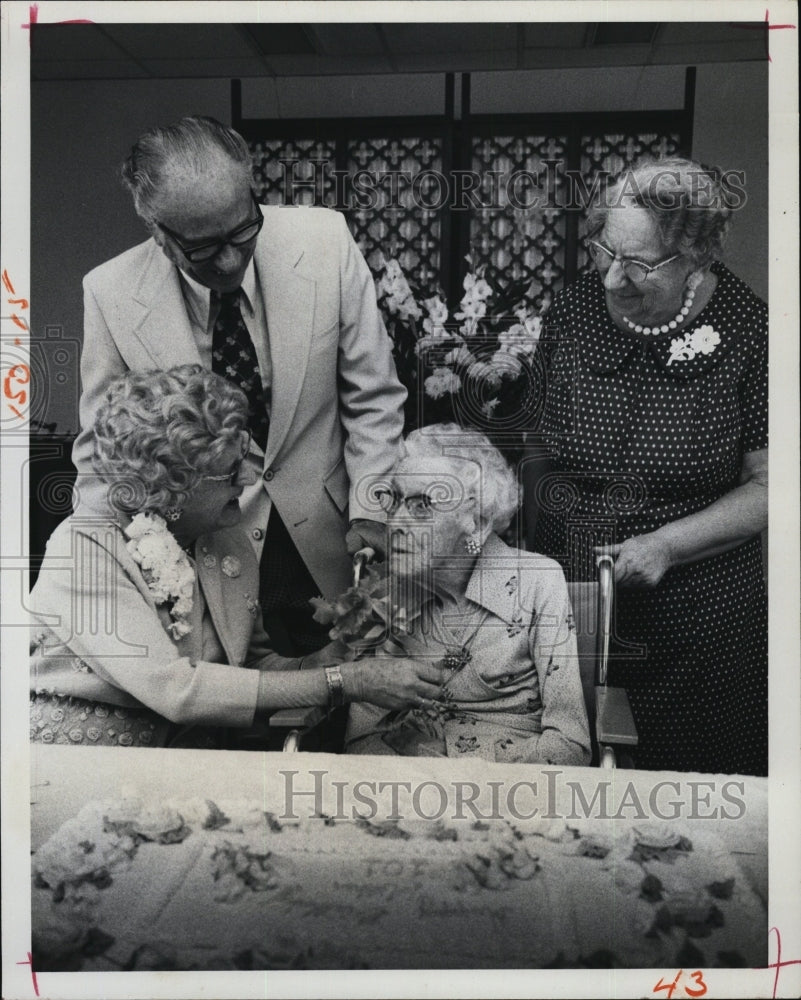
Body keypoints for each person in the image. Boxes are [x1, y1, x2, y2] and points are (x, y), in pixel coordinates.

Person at [71, 115, 406, 653]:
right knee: (238, 709)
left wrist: (373, 507)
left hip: (333, 536)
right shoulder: (109, 292)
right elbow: (102, 456)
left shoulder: (325, 241)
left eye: (242, 231)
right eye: (202, 249)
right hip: (206, 552)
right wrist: (90, 568)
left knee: (345, 695)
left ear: (252, 191)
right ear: (158, 231)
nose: (229, 260)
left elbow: (373, 396)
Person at [30, 367, 445, 749]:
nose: (247, 480)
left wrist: (322, 661)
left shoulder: (224, 536)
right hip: (76, 755)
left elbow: (251, 665)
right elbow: (176, 690)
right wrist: (342, 682)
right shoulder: (84, 549)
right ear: (171, 487)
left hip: (183, 759)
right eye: (228, 474)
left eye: (243, 459)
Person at [526, 155, 768, 776]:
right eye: (607, 250)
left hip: (698, 611)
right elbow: (538, 445)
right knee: (573, 781)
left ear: (697, 256)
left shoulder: (751, 330)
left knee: (684, 798)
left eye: (640, 264)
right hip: (573, 598)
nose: (613, 279)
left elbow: (771, 486)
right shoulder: (574, 309)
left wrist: (666, 544)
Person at [346, 424, 591, 765]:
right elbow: (362, 740)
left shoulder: (538, 582)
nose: (395, 522)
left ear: (474, 522)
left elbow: (570, 748)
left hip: (513, 795)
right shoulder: (390, 592)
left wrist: (452, 760)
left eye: (422, 506)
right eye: (396, 499)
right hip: (409, 792)